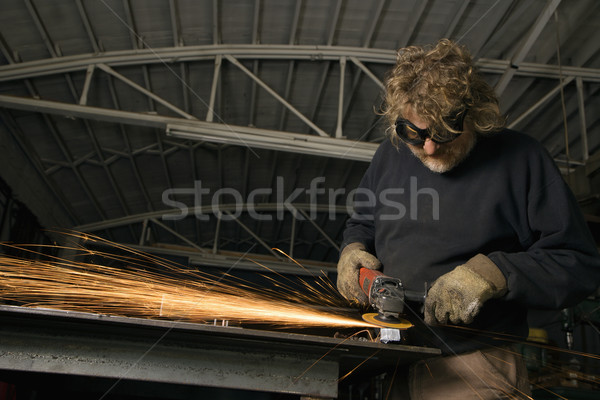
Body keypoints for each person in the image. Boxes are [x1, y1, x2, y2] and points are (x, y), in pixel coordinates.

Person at [336, 39, 600, 399]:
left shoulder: (522, 160)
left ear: (474, 112)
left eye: (444, 132)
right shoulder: (390, 156)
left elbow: (578, 262)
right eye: (413, 133)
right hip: (395, 361)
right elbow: (363, 223)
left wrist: (493, 275)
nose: (429, 147)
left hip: (474, 368)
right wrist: (352, 252)